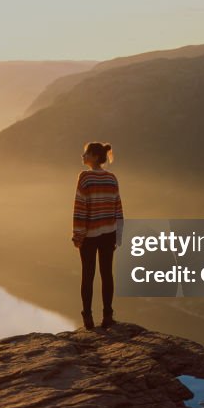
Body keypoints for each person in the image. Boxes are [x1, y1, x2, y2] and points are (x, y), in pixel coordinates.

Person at [72, 141, 124, 329]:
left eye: (85, 153)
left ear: (94, 156)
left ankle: (88, 319)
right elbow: (118, 207)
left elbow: (80, 208)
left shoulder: (85, 178)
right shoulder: (112, 178)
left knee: (88, 275)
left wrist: (78, 235)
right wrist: (118, 235)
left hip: (90, 236)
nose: (82, 156)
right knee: (107, 274)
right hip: (109, 234)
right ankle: (108, 316)